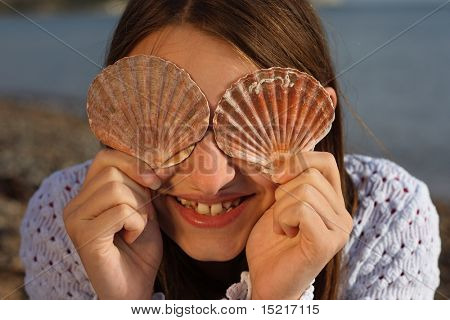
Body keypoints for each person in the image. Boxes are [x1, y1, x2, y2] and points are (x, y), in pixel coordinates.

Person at [19, 0, 441, 300]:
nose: (211, 178)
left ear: (311, 121)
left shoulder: (388, 218)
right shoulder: (68, 222)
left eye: (250, 123)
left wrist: (277, 303)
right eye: (168, 121)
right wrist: (123, 305)